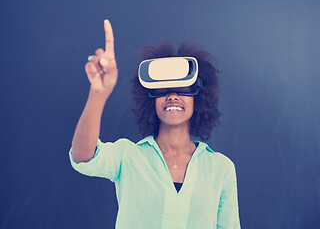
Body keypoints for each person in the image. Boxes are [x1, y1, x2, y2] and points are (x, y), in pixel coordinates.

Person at [69, 19, 241, 229]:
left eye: (183, 88)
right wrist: (98, 93)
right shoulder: (128, 156)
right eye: (163, 89)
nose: (172, 96)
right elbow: (82, 157)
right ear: (150, 98)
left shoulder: (221, 169)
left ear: (199, 98)